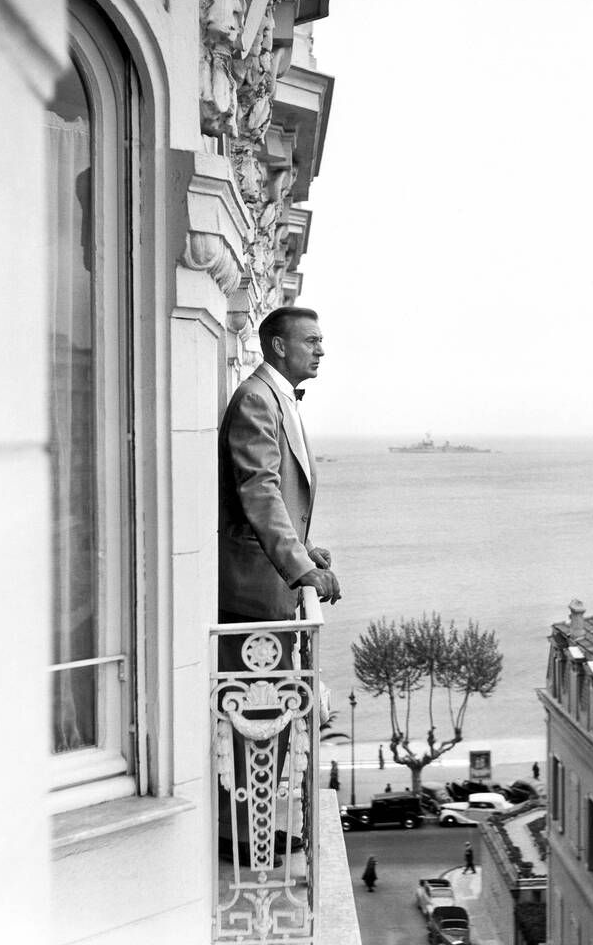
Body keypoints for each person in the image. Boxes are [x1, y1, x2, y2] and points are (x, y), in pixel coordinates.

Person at [217, 306, 342, 864]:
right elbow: (259, 491)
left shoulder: (277, 398)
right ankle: (244, 837)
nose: (321, 350)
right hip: (254, 592)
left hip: (270, 585)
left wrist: (303, 549)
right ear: (277, 346)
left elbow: (275, 499)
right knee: (258, 717)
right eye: (311, 340)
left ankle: (255, 829)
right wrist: (300, 568)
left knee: (272, 716)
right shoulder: (256, 399)